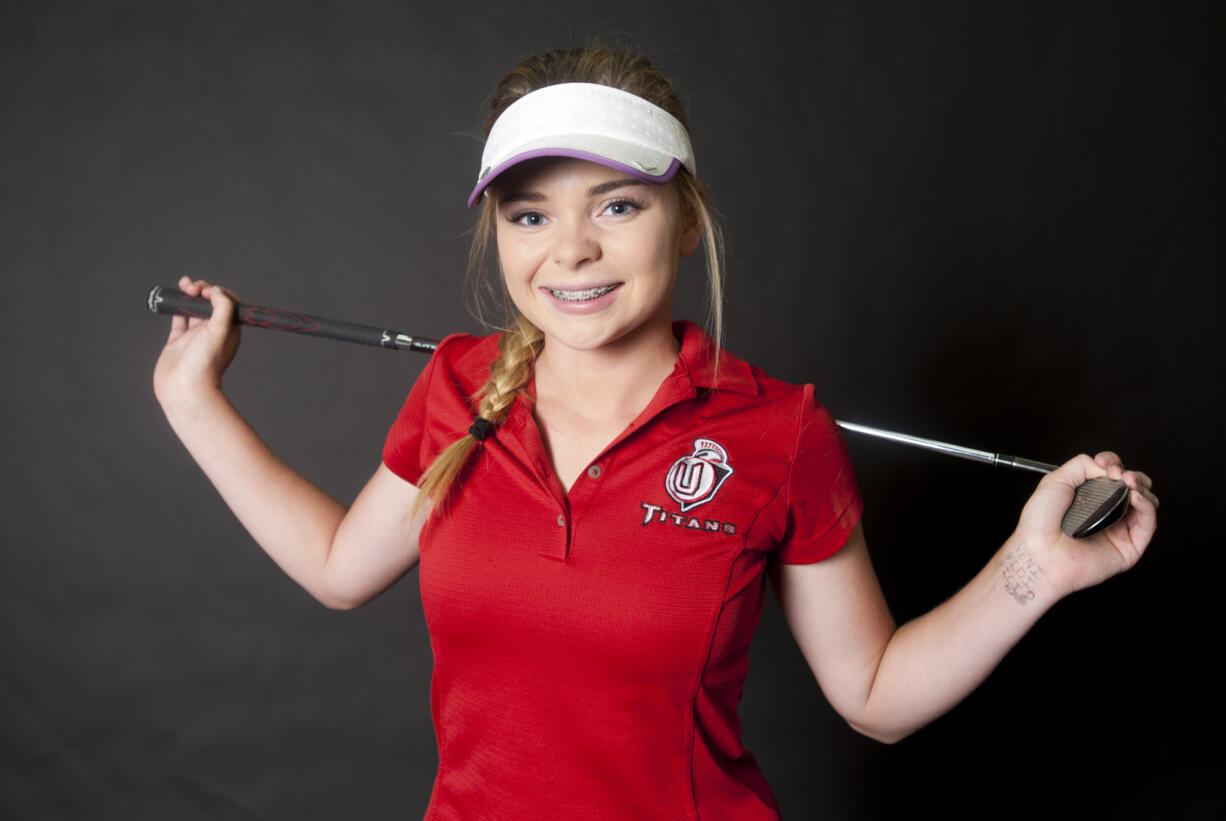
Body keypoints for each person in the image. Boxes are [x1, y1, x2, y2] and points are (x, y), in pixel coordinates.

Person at [153, 47, 1158, 820]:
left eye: (617, 203)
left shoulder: (780, 430)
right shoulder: (459, 384)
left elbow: (874, 694)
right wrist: (193, 400)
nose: (572, 250)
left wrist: (1032, 568)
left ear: (683, 219)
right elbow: (337, 565)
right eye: (529, 216)